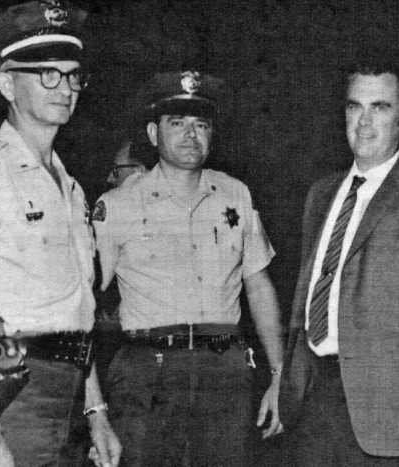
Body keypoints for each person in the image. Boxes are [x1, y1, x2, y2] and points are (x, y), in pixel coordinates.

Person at [278, 63, 399, 467]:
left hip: (395, 419)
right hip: (316, 402)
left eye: (381, 108)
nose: (364, 122)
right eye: (355, 107)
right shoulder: (321, 194)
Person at [91, 69, 284, 466]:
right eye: (176, 123)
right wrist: (94, 408)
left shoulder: (235, 194)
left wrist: (281, 374)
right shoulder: (120, 205)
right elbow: (82, 304)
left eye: (201, 124)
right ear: (152, 134)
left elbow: (259, 285)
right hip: (147, 373)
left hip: (225, 371)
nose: (190, 135)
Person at [0, 1, 121, 466]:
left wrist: (96, 412)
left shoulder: (69, 186)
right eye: (47, 73)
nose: (66, 87)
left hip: (70, 397)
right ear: (6, 84)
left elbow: (79, 314)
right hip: (14, 393)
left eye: (73, 74)